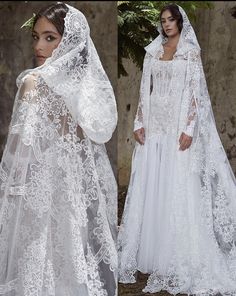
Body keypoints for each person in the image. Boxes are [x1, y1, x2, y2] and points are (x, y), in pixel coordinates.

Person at [118, 3, 236, 295]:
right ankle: (152, 251)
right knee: (152, 185)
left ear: (180, 22)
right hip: (154, 126)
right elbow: (146, 88)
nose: (167, 24)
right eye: (163, 20)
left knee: (175, 186)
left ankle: (174, 253)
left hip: (177, 126)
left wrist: (189, 128)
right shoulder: (152, 51)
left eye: (171, 20)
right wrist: (139, 120)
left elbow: (195, 93)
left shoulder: (190, 52)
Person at [0, 3, 118, 296]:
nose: (39, 45)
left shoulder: (33, 82)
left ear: (68, 41)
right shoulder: (83, 87)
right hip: (71, 190)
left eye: (50, 38)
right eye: (36, 36)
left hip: (36, 189)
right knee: (67, 257)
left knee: (36, 258)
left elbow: (19, 155)